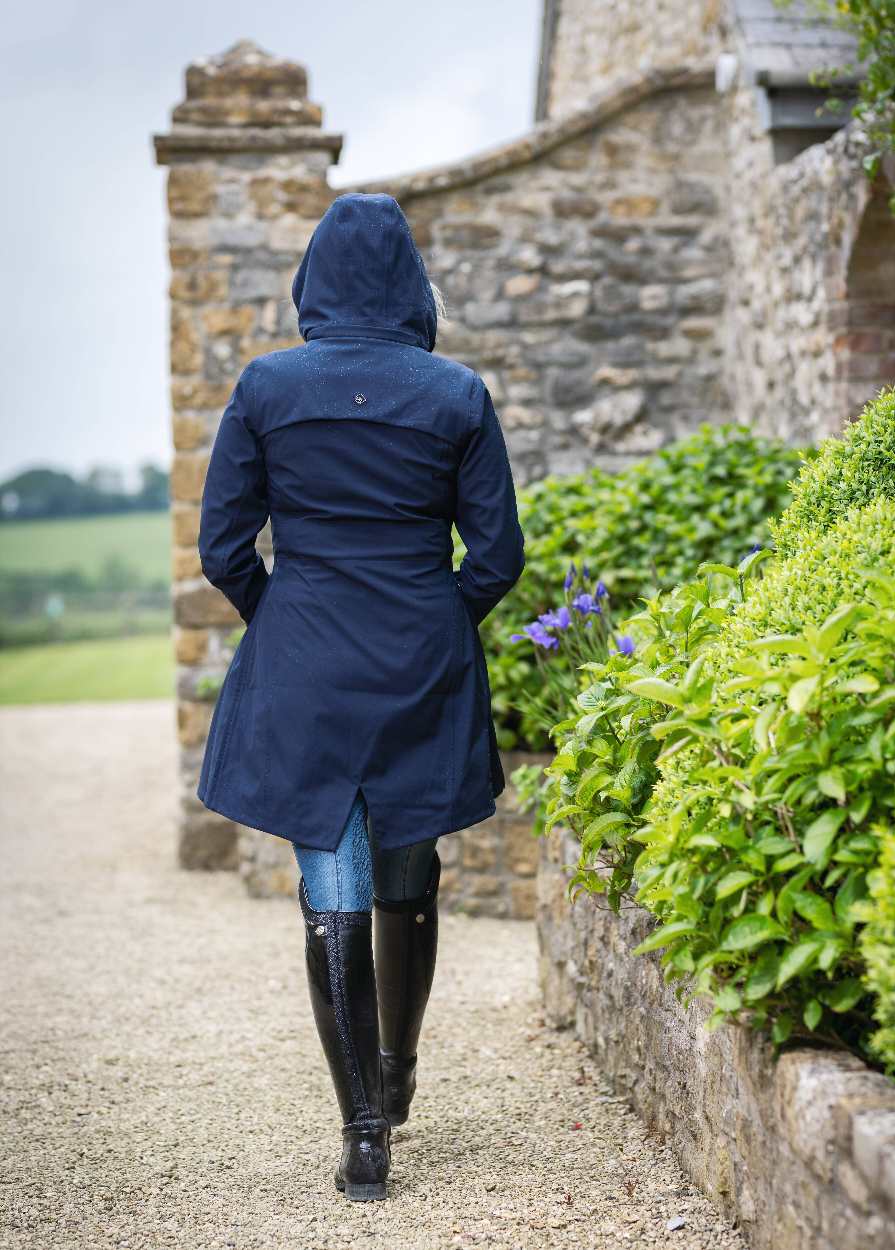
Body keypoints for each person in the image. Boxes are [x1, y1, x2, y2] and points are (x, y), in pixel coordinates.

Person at [195, 192, 525, 1201]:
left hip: (307, 666)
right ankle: (397, 1068)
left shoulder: (263, 386)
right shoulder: (456, 392)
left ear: (314, 281)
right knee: (407, 877)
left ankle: (363, 1135)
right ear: (409, 281)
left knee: (329, 890)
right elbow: (499, 557)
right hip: (420, 662)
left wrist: (285, 615)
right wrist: (436, 613)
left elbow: (220, 548)